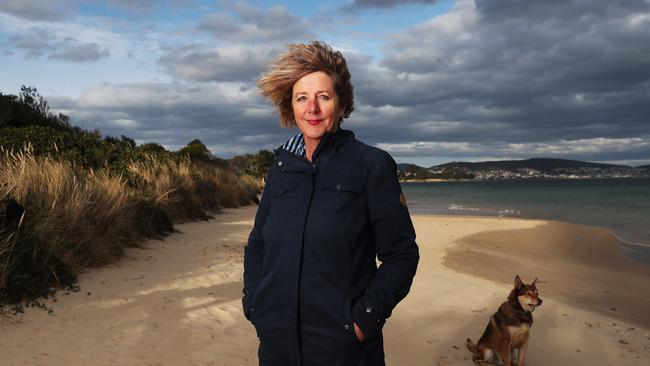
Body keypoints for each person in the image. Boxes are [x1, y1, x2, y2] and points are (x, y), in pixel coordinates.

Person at [242, 40, 419, 366]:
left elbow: (402, 255)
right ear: (290, 106)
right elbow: (258, 246)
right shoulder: (280, 168)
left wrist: (364, 321)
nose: (312, 108)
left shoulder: (371, 165)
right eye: (302, 98)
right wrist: (254, 304)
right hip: (276, 346)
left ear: (341, 103)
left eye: (323, 96)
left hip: (344, 350)